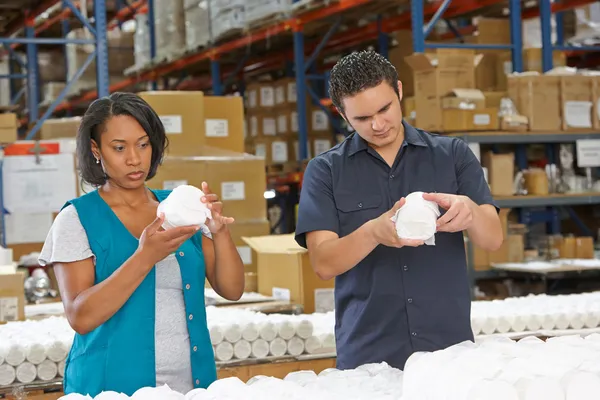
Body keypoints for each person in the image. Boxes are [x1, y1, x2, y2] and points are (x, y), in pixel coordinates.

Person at [295, 51, 503, 371]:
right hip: (368, 357)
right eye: (362, 119)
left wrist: (471, 211)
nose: (378, 125)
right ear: (342, 114)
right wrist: (373, 232)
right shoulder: (325, 171)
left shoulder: (452, 156)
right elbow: (323, 263)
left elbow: (493, 240)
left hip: (448, 352)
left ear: (400, 91)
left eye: (385, 109)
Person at [39, 92, 245, 396]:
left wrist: (219, 232)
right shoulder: (77, 218)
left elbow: (232, 289)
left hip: (189, 386)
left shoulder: (178, 208)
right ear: (96, 150)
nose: (134, 158)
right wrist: (145, 256)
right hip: (110, 388)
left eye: (143, 144)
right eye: (119, 148)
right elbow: (80, 317)